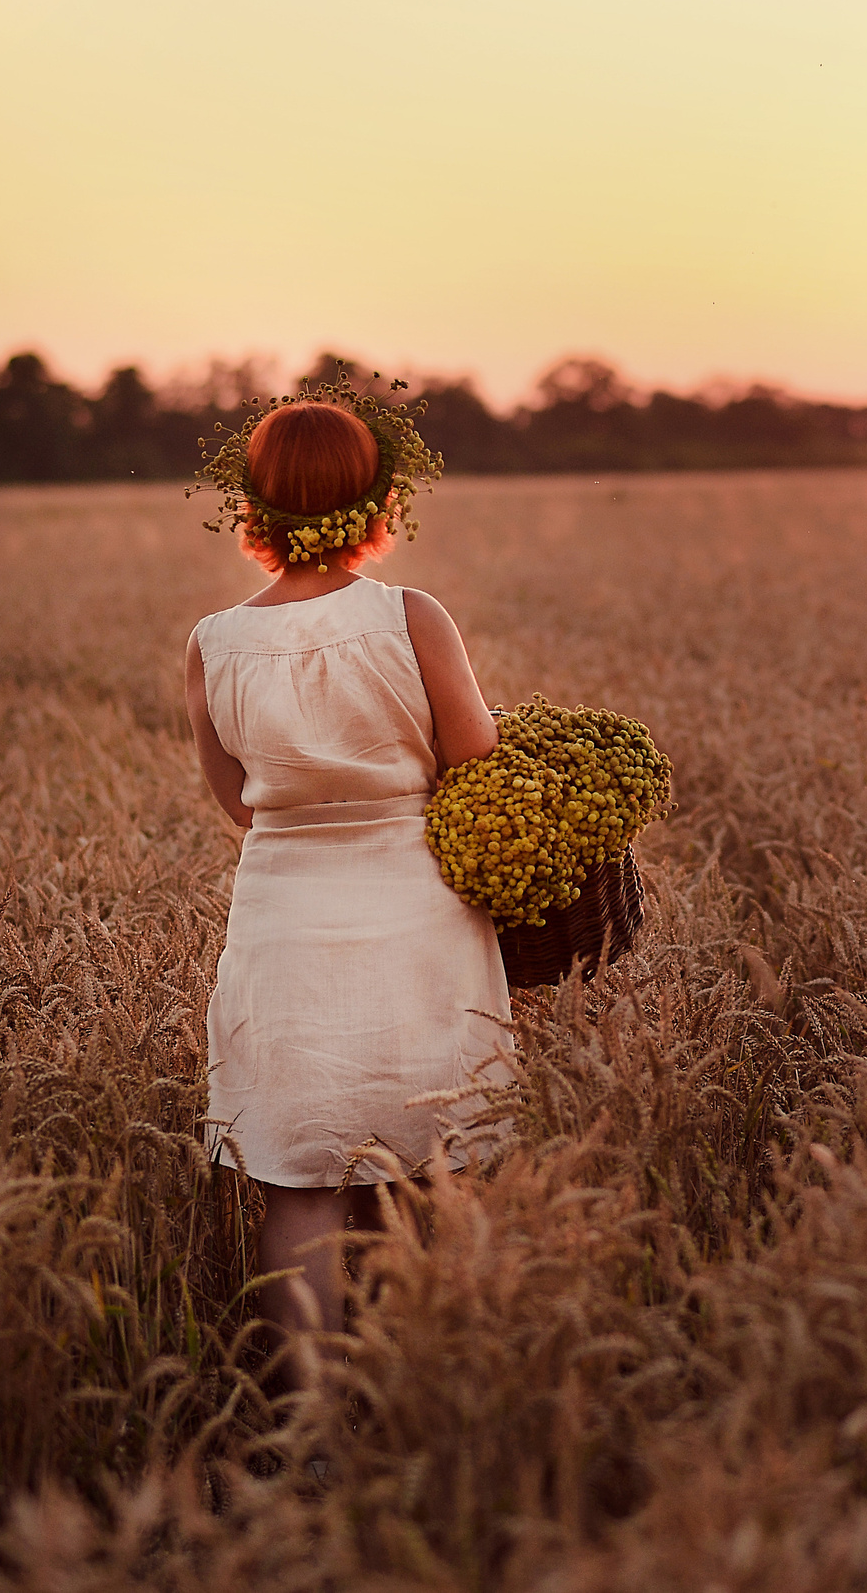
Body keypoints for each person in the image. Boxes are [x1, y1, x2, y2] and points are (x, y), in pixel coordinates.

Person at [183, 394, 510, 1338]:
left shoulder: (213, 642)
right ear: (375, 499)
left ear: (254, 502)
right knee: (440, 1159)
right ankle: (440, 1379)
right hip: (419, 913)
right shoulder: (411, 617)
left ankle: (313, 1411)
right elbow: (476, 757)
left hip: (283, 918)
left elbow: (237, 802)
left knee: (301, 1186)